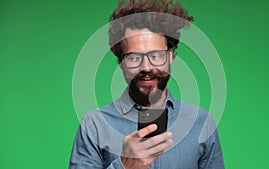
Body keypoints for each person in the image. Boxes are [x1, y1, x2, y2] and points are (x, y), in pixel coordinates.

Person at [69, 0, 224, 168]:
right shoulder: (94, 124)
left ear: (170, 56)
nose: (146, 67)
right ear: (121, 62)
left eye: (156, 55)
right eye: (134, 57)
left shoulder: (201, 122)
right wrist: (124, 166)